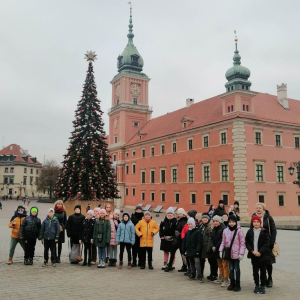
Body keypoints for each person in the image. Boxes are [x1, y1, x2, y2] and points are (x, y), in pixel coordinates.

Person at [252, 202, 277, 288]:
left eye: (260, 208)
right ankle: (264, 278)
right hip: (257, 244)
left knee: (268, 262)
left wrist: (271, 243)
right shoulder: (253, 217)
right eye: (257, 208)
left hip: (267, 243)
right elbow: (251, 230)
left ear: (263, 209)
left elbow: (274, 231)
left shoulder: (268, 218)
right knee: (261, 262)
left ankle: (270, 278)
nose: (258, 209)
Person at [219, 214, 245, 292]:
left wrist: (241, 253)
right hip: (229, 253)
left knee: (236, 269)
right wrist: (220, 250)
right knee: (230, 268)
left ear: (236, 222)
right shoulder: (225, 230)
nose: (231, 223)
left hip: (237, 253)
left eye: (233, 222)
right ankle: (232, 283)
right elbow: (223, 242)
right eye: (230, 222)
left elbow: (243, 243)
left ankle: (238, 284)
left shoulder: (239, 231)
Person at [246, 216, 270, 294]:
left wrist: (260, 252)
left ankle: (262, 285)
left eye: (257, 222)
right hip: (253, 255)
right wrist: (252, 251)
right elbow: (247, 243)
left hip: (262, 255)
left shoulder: (264, 232)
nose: (256, 223)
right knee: (255, 271)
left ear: (260, 223)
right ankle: (256, 285)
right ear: (252, 223)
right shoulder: (249, 232)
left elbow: (266, 243)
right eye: (254, 222)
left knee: (263, 271)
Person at [165, 208, 187, 273]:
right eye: (179, 214)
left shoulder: (184, 221)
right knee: (173, 253)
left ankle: (185, 266)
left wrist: (178, 235)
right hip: (176, 240)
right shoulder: (178, 220)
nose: (180, 215)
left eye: (181, 214)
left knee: (182, 254)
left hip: (180, 240)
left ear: (183, 214)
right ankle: (170, 265)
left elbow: (183, 231)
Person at [199, 213, 215, 282]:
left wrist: (209, 247)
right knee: (201, 261)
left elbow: (210, 238)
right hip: (201, 246)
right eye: (203, 218)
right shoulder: (200, 226)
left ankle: (213, 274)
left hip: (207, 246)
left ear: (208, 219)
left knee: (211, 261)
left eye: (206, 218)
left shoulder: (210, 227)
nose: (204, 219)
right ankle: (201, 274)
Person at [210, 215, 226, 283]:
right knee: (219, 264)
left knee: (224, 264)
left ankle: (225, 278)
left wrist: (216, 246)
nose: (215, 222)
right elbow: (211, 238)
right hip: (215, 249)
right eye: (214, 221)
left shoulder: (223, 228)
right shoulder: (214, 229)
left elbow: (222, 239)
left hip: (221, 249)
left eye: (216, 221)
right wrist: (212, 245)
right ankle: (221, 276)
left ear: (220, 222)